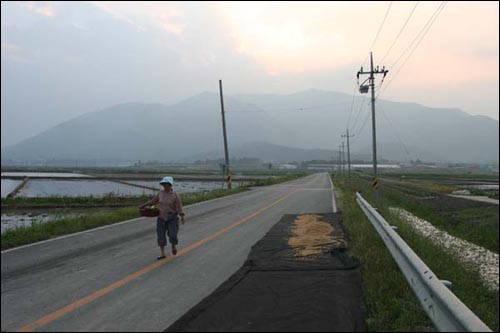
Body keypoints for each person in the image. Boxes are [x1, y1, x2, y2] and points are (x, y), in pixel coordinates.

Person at [139, 176, 185, 259]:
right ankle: (162, 253)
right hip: (161, 217)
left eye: (167, 184)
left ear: (170, 185)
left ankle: (173, 246)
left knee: (173, 235)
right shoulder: (160, 193)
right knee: (161, 235)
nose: (165, 186)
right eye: (164, 184)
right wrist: (143, 205)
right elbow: (153, 201)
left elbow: (179, 206)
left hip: (172, 217)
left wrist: (182, 216)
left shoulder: (175, 195)